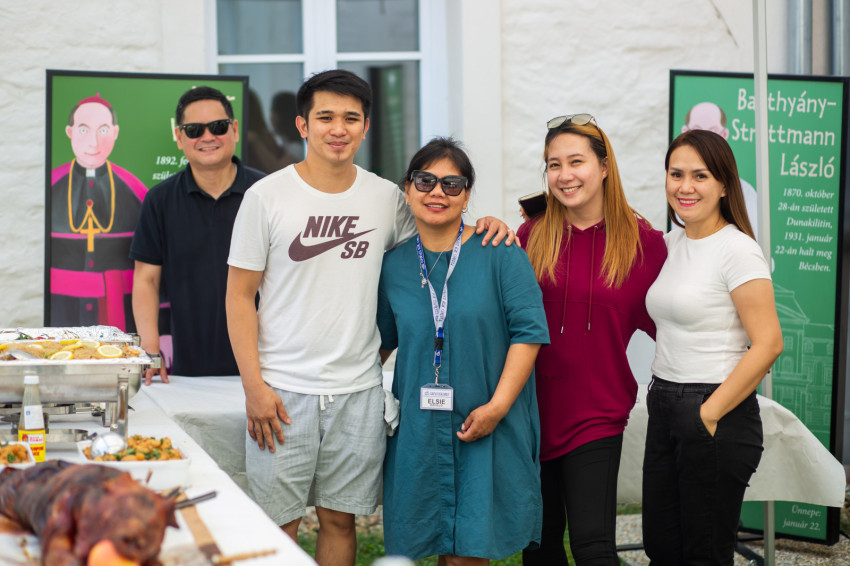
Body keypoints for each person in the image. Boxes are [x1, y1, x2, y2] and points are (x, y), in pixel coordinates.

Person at [225, 69, 513, 566]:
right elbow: (238, 296)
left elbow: (439, 231)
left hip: (359, 390)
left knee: (340, 521)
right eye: (325, 117)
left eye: (351, 118)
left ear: (365, 126)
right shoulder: (266, 197)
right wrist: (254, 386)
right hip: (282, 389)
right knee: (277, 525)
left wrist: (483, 223)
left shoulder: (386, 198)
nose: (338, 129)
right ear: (302, 125)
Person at [377, 138, 549, 564]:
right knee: (439, 544)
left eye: (452, 184)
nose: (437, 192)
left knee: (469, 551)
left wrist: (497, 408)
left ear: (466, 196)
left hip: (487, 418)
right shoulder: (393, 265)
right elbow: (379, 343)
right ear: (408, 188)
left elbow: (529, 334)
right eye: (425, 181)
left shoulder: (500, 253)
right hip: (419, 428)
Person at [518, 114, 667, 566]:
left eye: (576, 161)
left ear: (603, 167)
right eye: (554, 164)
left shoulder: (644, 245)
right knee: (539, 546)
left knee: (593, 547)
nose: (564, 175)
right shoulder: (530, 235)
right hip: (530, 413)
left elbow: (673, 324)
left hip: (596, 414)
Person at [642, 129, 783, 565]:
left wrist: (707, 414)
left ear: (724, 185)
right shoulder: (671, 243)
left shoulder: (737, 250)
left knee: (704, 555)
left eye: (700, 176)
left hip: (713, 408)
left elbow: (769, 343)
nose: (685, 186)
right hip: (664, 403)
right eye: (676, 174)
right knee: (662, 548)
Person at [130, 86, 265, 384]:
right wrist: (149, 347)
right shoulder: (160, 200)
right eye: (194, 130)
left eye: (218, 127)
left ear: (234, 130)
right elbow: (146, 279)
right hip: (187, 372)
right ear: (179, 137)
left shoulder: (267, 194)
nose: (207, 137)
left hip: (265, 368)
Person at [50, 93, 148, 331]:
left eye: (103, 130)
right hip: (61, 310)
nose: (94, 142)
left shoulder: (137, 191)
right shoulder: (50, 186)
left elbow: (154, 267)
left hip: (120, 308)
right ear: (69, 132)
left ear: (115, 133)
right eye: (83, 130)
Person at [682, 101, 759, 236]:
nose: (704, 141)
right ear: (684, 133)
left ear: (724, 135)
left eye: (713, 131)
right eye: (697, 131)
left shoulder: (746, 193)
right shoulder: (678, 192)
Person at [242, 89, 297, 174]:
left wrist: (256, 141)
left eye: (273, 112)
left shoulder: (296, 148)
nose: (272, 118)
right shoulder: (273, 141)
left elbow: (279, 171)